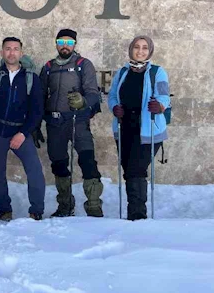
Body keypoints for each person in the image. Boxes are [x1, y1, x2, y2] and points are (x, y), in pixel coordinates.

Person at [39, 29, 104, 218]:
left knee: (87, 161)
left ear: (75, 44)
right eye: (61, 41)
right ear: (56, 43)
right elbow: (40, 95)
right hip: (55, 122)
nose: (65, 46)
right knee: (58, 164)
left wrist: (83, 101)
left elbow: (93, 93)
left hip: (78, 121)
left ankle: (93, 206)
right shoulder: (49, 66)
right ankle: (65, 205)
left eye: (69, 42)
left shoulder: (84, 65)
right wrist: (36, 122)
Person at [0, 37, 46, 221]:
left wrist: (23, 133)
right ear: (2, 52)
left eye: (15, 49)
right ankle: (4, 209)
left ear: (21, 53)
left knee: (34, 171)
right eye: (7, 49)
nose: (11, 52)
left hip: (20, 132)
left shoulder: (31, 78)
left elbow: (37, 110)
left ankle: (36, 210)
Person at [108, 36, 170, 220]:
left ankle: (137, 215)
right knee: (128, 170)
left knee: (136, 169)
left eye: (144, 48)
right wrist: (114, 108)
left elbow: (164, 95)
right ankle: (134, 213)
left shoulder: (157, 72)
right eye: (137, 47)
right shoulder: (122, 72)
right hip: (125, 128)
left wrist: (159, 106)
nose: (140, 51)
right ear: (131, 49)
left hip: (148, 129)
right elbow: (112, 96)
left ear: (149, 51)